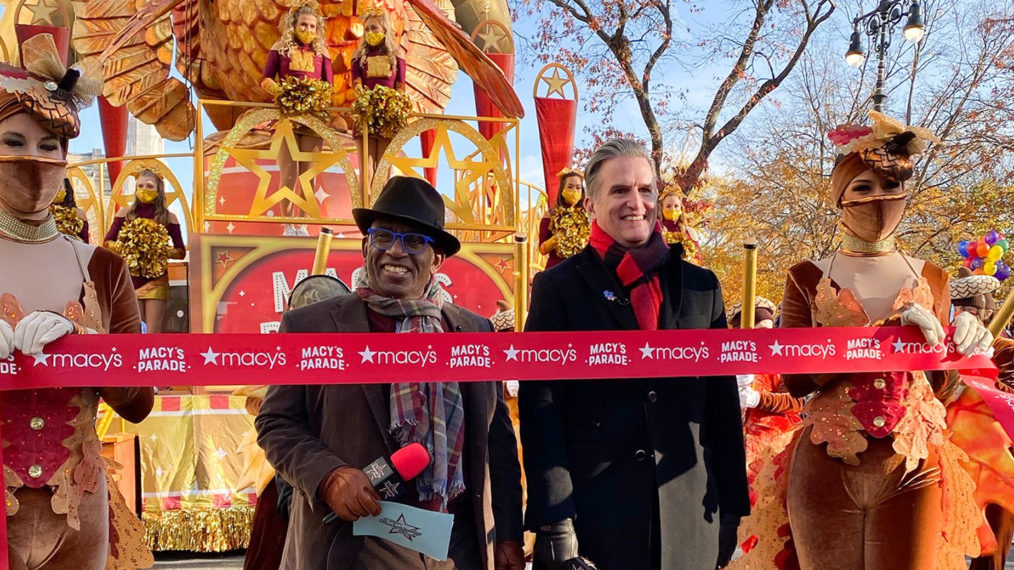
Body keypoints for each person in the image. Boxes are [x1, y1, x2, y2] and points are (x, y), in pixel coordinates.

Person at [741, 111, 993, 569]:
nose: (878, 198)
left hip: (914, 460)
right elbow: (795, 382)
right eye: (863, 187)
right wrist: (877, 338)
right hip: (824, 459)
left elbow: (939, 389)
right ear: (841, 197)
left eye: (889, 186)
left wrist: (955, 352)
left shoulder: (933, 277)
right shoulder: (805, 276)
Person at [256, 176, 524, 570]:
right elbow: (275, 422)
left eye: (415, 241)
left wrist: (508, 537)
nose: (396, 252)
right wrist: (328, 476)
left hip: (456, 550)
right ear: (366, 247)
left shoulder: (474, 331)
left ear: (437, 260)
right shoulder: (311, 325)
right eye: (384, 237)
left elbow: (497, 444)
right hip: (351, 549)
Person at [519, 138, 749, 570]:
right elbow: (541, 409)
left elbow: (721, 404)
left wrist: (732, 508)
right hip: (597, 520)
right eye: (620, 190)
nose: (636, 203)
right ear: (591, 204)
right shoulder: (558, 288)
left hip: (690, 515)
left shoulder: (702, 287)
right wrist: (555, 521)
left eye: (645, 190)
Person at [0, 33, 154, 569]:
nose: (34, 161)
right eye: (14, 142)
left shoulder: (104, 267)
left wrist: (91, 351)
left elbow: (139, 402)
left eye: (49, 147)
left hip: (81, 513)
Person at [947, 267, 1014, 570]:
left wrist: (980, 379)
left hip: (992, 458)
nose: (967, 316)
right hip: (947, 455)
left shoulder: (1005, 350)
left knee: (990, 548)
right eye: (961, 310)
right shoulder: (941, 348)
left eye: (974, 310)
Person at [261, 0, 334, 236]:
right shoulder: (279, 47)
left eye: (313, 26)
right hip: (286, 118)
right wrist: (284, 93)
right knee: (288, 172)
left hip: (313, 120)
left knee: (308, 176)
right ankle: (287, 224)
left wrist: (315, 99)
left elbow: (329, 85)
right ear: (294, 24)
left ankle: (302, 225)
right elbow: (265, 80)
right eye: (304, 25)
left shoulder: (322, 52)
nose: (309, 30)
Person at [726, 298, 803, 502]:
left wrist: (757, 399)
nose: (766, 336)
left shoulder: (782, 362)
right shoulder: (723, 364)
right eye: (759, 330)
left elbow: (796, 402)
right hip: (733, 449)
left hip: (775, 450)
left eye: (769, 329)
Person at [104, 168, 185, 334]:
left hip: (156, 280)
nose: (144, 189)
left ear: (158, 190)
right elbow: (107, 242)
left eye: (149, 186)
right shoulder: (124, 213)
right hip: (130, 278)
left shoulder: (168, 217)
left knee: (153, 331)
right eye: (140, 185)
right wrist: (130, 247)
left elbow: (180, 252)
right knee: (136, 329)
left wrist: (158, 250)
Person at [351, 8, 406, 175]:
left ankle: (380, 201)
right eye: (366, 29)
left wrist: (394, 106)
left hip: (387, 116)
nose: (369, 32)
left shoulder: (397, 54)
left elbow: (400, 85)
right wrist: (365, 97)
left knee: (383, 169)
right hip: (366, 115)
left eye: (373, 28)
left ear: (384, 29)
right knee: (367, 170)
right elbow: (356, 81)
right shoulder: (358, 55)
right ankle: (365, 202)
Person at [537, 169, 588, 270]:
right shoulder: (550, 215)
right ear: (562, 190)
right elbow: (542, 250)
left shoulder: (587, 216)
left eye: (578, 187)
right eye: (570, 187)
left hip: (580, 271)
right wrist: (556, 239)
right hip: (556, 271)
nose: (574, 191)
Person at [658, 185, 701, 264]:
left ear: (681, 208)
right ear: (662, 208)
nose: (673, 209)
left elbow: (697, 261)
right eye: (668, 206)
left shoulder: (690, 233)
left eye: (676, 206)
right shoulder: (656, 231)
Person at [50, 177, 89, 242]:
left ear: (66, 189)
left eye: (58, 187)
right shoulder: (41, 214)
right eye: (51, 187)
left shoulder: (78, 214)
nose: (54, 191)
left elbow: (85, 241)